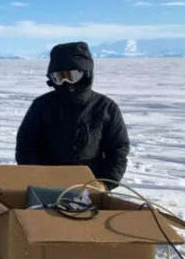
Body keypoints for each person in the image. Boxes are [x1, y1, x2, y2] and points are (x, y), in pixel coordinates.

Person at [16, 41, 129, 188]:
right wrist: (37, 177)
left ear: (85, 74)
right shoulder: (41, 106)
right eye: (59, 77)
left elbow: (118, 150)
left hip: (90, 185)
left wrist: (106, 183)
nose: (65, 82)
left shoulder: (105, 107)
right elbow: (25, 145)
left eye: (71, 76)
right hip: (46, 185)